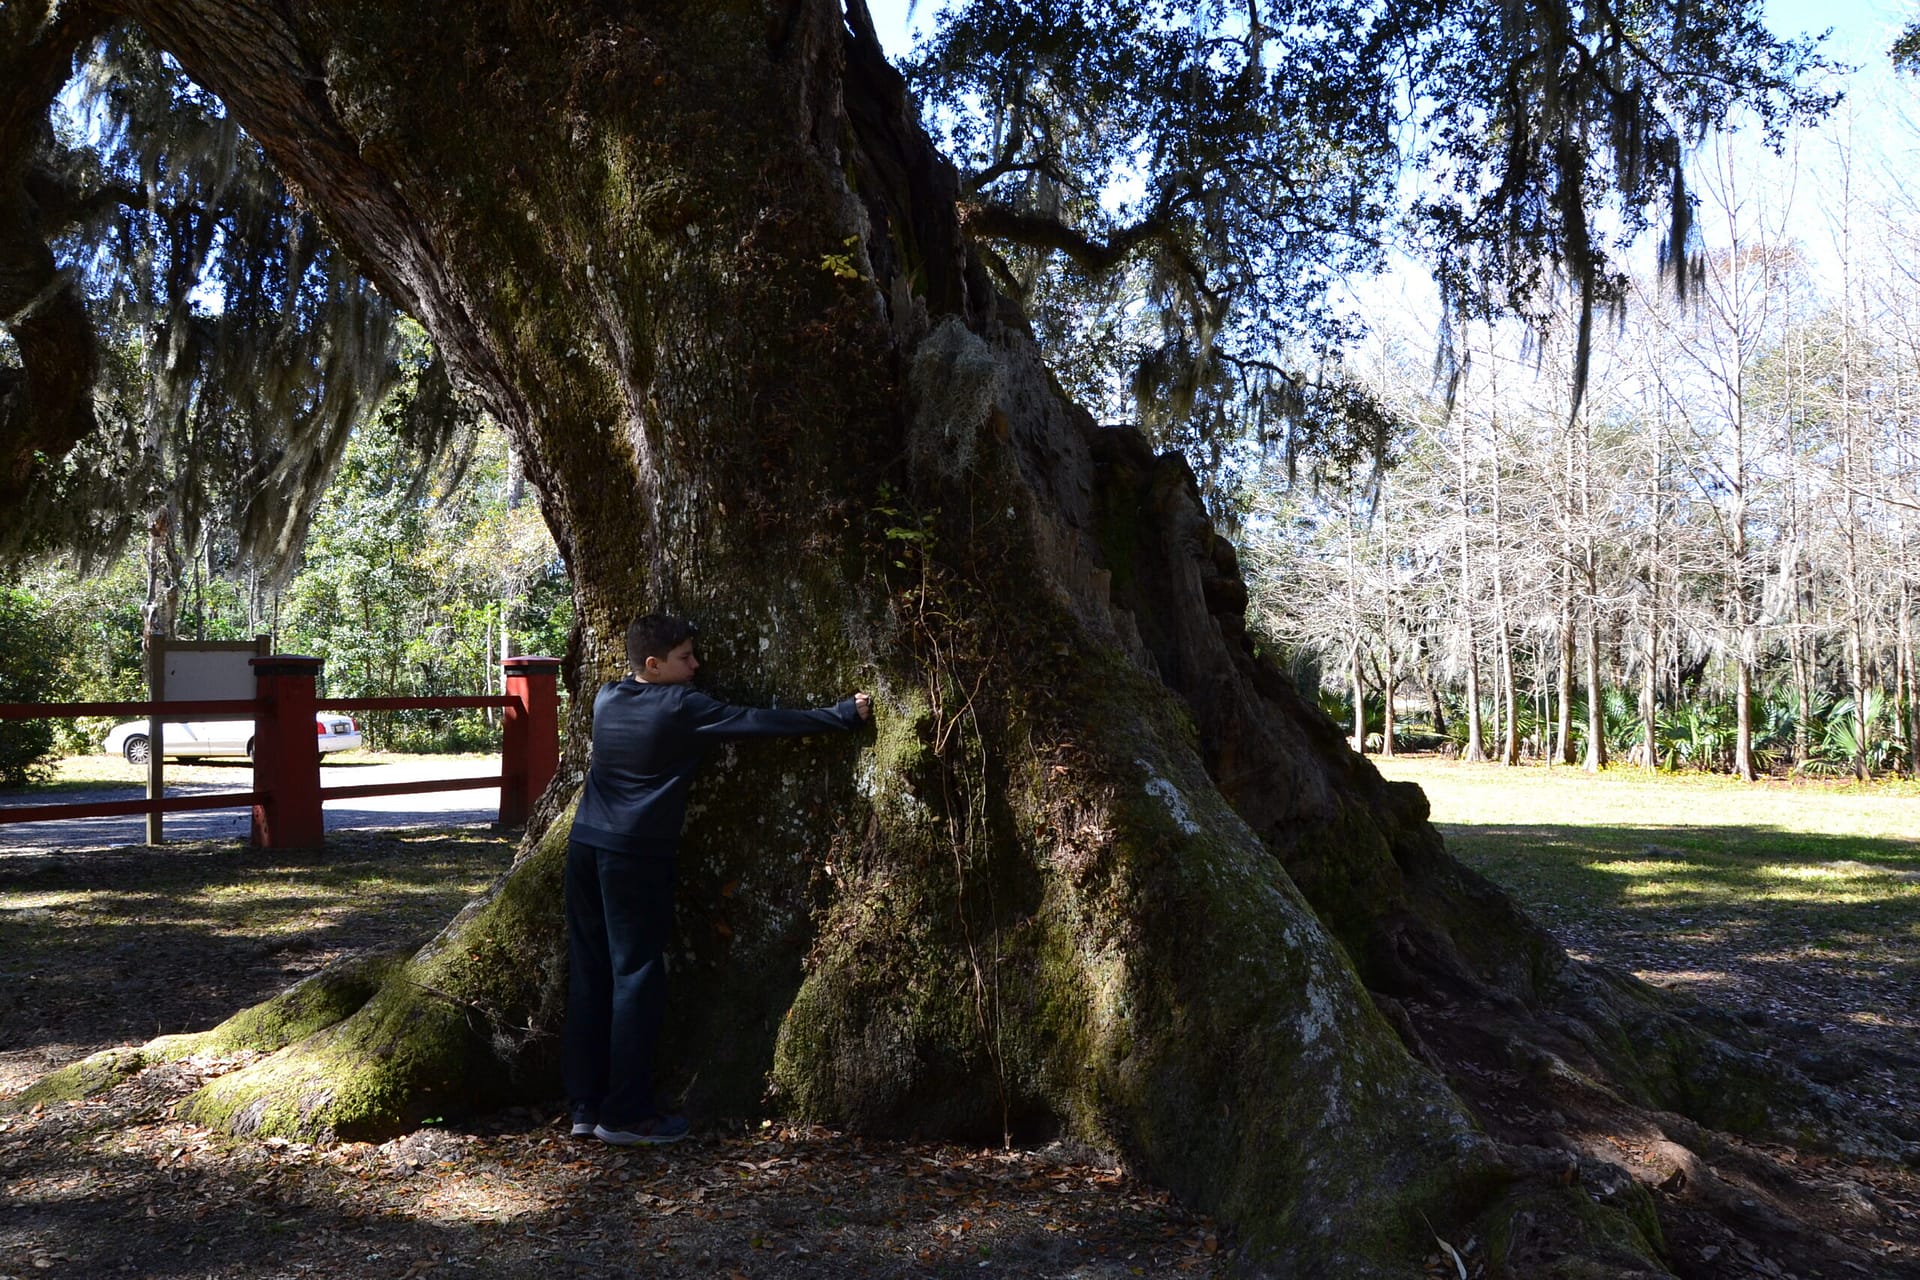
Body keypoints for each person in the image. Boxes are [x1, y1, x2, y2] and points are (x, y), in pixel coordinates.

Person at [563, 613, 871, 1146]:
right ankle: (626, 1114)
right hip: (634, 856)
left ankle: (586, 1106)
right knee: (635, 975)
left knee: (591, 975)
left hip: (585, 846)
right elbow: (756, 722)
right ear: (654, 666)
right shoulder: (682, 705)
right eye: (686, 657)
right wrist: (840, 715)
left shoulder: (607, 697)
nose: (697, 665)